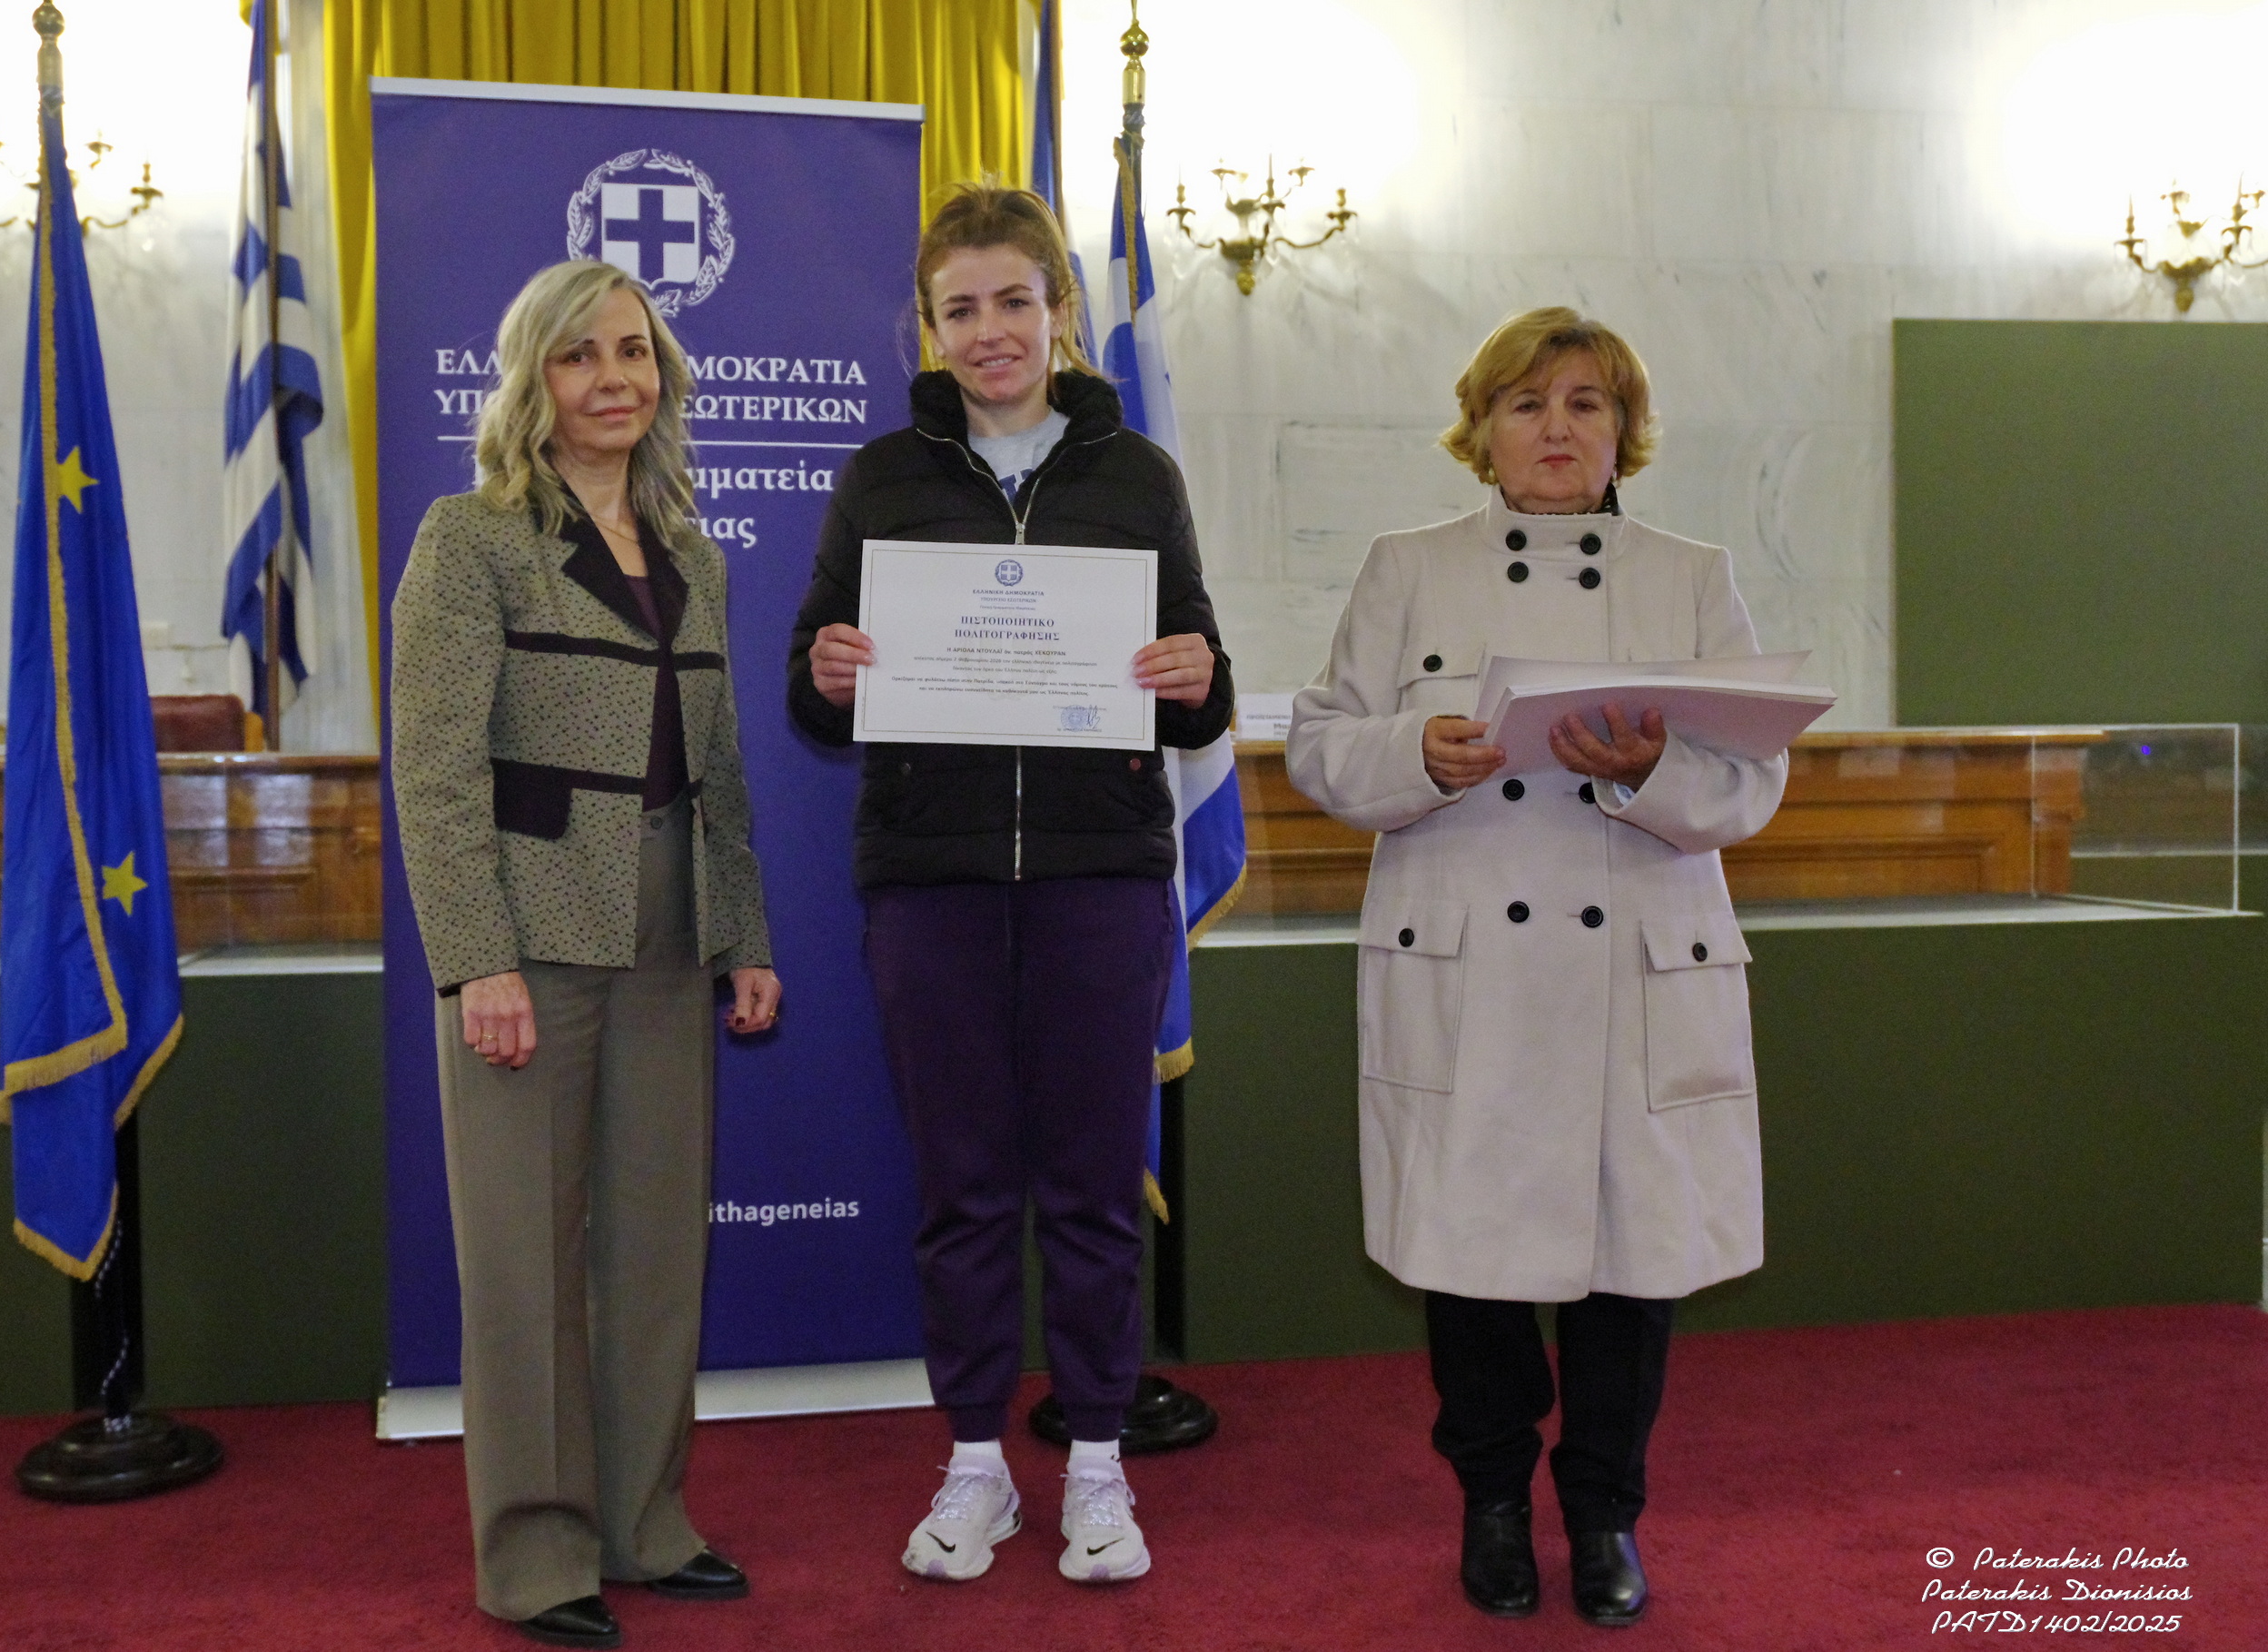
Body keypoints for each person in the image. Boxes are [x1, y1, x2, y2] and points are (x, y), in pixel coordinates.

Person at [1286, 307, 1783, 1627]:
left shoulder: (1691, 574)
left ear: (1624, 431)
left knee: (1634, 1268)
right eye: (1526, 405)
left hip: (1633, 962)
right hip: (1470, 969)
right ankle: (1493, 1504)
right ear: (1482, 430)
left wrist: (1653, 769)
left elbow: (1753, 779)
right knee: (1472, 1266)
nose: (1556, 429)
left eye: (1584, 404)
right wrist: (1415, 752)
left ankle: (1607, 1514)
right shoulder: (1407, 566)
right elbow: (1321, 744)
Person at [787, 184, 1232, 1586]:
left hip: (1101, 879)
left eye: (1014, 302)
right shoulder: (880, 478)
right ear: (927, 326)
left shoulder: (1137, 477)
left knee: (1094, 1188)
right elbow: (810, 688)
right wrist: (829, 670)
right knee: (964, 1191)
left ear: (1059, 312)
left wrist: (1192, 674)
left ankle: (1096, 1463)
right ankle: (975, 1461)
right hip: (931, 884)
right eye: (959, 308)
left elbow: (1200, 680)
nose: (990, 331)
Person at [391, 259, 781, 1650]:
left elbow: (718, 771)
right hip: (531, 934)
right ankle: (537, 1552)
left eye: (633, 351)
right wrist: (476, 961)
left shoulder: (692, 555)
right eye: (578, 356)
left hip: (672, 929)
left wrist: (742, 933)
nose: (612, 378)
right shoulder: (472, 538)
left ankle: (643, 1524)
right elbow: (435, 773)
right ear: (532, 381)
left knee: (656, 1246)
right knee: (525, 1261)